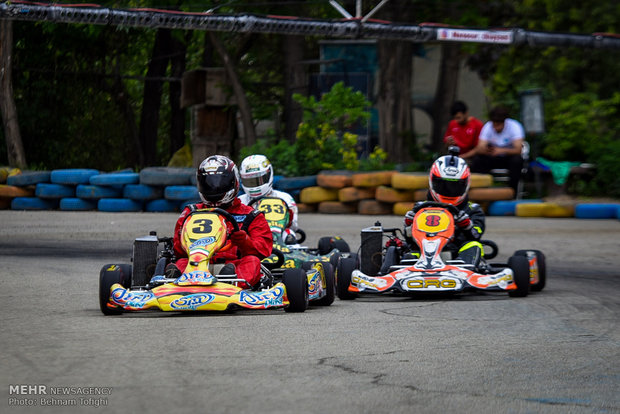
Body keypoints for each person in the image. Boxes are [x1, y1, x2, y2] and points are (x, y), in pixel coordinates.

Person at [168, 155, 273, 288]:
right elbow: (178, 250)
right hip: (195, 266)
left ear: (233, 182)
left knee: (252, 262)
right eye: (208, 183)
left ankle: (231, 283)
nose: (213, 188)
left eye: (219, 182)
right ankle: (177, 279)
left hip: (233, 267)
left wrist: (245, 242)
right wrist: (186, 242)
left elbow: (264, 250)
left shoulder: (251, 215)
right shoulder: (191, 212)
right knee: (181, 262)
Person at [403, 148, 486, 267]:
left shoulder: (473, 209)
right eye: (443, 185)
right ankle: (391, 273)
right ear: (433, 181)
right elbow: (410, 241)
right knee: (406, 252)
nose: (449, 190)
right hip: (423, 253)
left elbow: (476, 235)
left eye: (455, 186)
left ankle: (468, 273)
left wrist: (467, 226)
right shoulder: (421, 208)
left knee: (474, 245)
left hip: (458, 254)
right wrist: (408, 226)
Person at [238, 154, 299, 243]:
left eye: (259, 180)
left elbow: (294, 225)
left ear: (269, 174)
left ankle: (291, 251)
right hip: (251, 239)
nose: (255, 185)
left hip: (279, 236)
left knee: (289, 234)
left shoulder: (285, 198)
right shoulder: (241, 201)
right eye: (250, 181)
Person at [470, 106, 525, 196]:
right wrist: (486, 150)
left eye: (498, 125)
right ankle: (481, 192)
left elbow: (518, 149)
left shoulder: (514, 126)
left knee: (517, 161)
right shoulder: (488, 126)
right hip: (493, 157)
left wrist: (501, 150)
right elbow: (480, 147)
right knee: (478, 160)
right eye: (494, 125)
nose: (495, 128)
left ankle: (513, 192)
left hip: (508, 158)